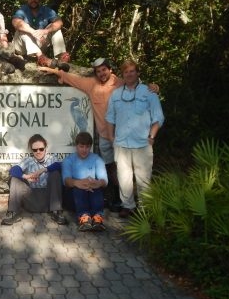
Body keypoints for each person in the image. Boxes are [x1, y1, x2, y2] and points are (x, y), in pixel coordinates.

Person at [39, 58, 160, 212]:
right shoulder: (91, 84)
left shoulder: (120, 83)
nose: (102, 73)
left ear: (110, 70)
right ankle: (118, 200)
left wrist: (154, 87)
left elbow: (138, 86)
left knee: (133, 170)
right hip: (105, 136)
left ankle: (141, 206)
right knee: (112, 168)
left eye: (104, 69)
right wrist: (54, 71)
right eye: (98, 71)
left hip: (124, 137)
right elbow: (73, 79)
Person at [105, 59, 165, 218]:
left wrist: (152, 136)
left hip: (142, 144)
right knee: (123, 178)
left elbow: (158, 117)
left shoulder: (149, 92)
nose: (129, 74)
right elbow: (110, 117)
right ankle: (128, 206)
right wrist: (111, 138)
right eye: (126, 72)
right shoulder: (116, 94)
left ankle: (145, 210)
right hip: (121, 143)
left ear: (137, 73)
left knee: (143, 179)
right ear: (122, 75)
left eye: (132, 71)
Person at [1, 134, 67, 226]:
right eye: (35, 150)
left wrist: (44, 169)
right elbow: (13, 170)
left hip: (48, 200)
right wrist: (26, 176)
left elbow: (59, 165)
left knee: (55, 174)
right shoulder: (28, 160)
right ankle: (13, 213)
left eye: (41, 149)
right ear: (31, 150)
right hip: (31, 199)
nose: (38, 152)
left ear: (45, 147)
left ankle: (57, 212)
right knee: (15, 178)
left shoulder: (52, 159)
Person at [11, 0, 70, 70]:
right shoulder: (23, 10)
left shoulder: (47, 11)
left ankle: (62, 58)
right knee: (23, 29)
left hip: (39, 44)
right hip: (22, 48)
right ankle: (41, 58)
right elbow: (15, 22)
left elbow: (59, 22)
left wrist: (45, 31)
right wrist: (33, 32)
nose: (33, 0)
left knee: (55, 28)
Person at [62, 132, 108, 231]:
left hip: (92, 195)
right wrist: (78, 183)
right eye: (81, 146)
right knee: (78, 189)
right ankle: (84, 219)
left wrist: (97, 183)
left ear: (90, 147)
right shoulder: (68, 160)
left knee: (97, 189)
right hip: (74, 198)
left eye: (87, 147)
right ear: (76, 146)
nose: (84, 150)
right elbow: (66, 181)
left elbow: (104, 181)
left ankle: (97, 219)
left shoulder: (97, 159)